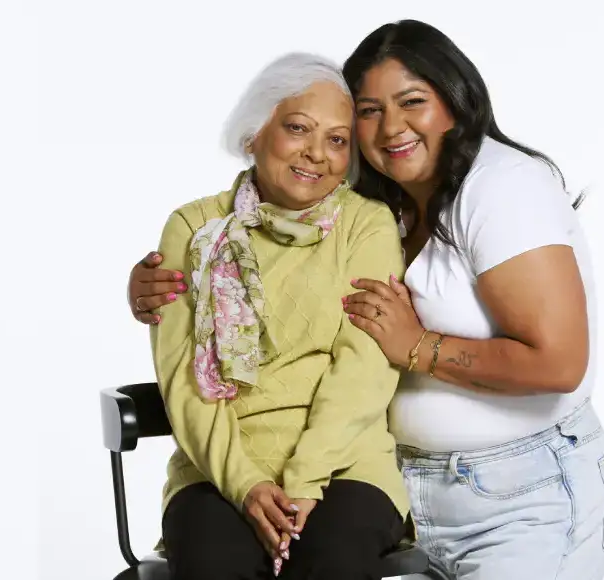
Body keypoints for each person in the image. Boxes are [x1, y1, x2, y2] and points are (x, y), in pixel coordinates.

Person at [126, 20, 604, 580]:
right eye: (367, 111)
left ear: (456, 101)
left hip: (514, 497)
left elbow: (557, 363)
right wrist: (153, 290)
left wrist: (415, 349)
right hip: (409, 485)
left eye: (412, 102)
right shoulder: (379, 194)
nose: (389, 128)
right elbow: (190, 361)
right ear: (253, 133)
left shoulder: (495, 190)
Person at [146, 52, 411, 580]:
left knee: (331, 562)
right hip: (219, 469)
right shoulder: (193, 227)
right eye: (297, 128)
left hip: (345, 465)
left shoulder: (366, 225)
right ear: (253, 132)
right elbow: (183, 380)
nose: (317, 153)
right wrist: (245, 484)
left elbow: (363, 367)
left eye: (337, 139)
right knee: (214, 564)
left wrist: (304, 480)